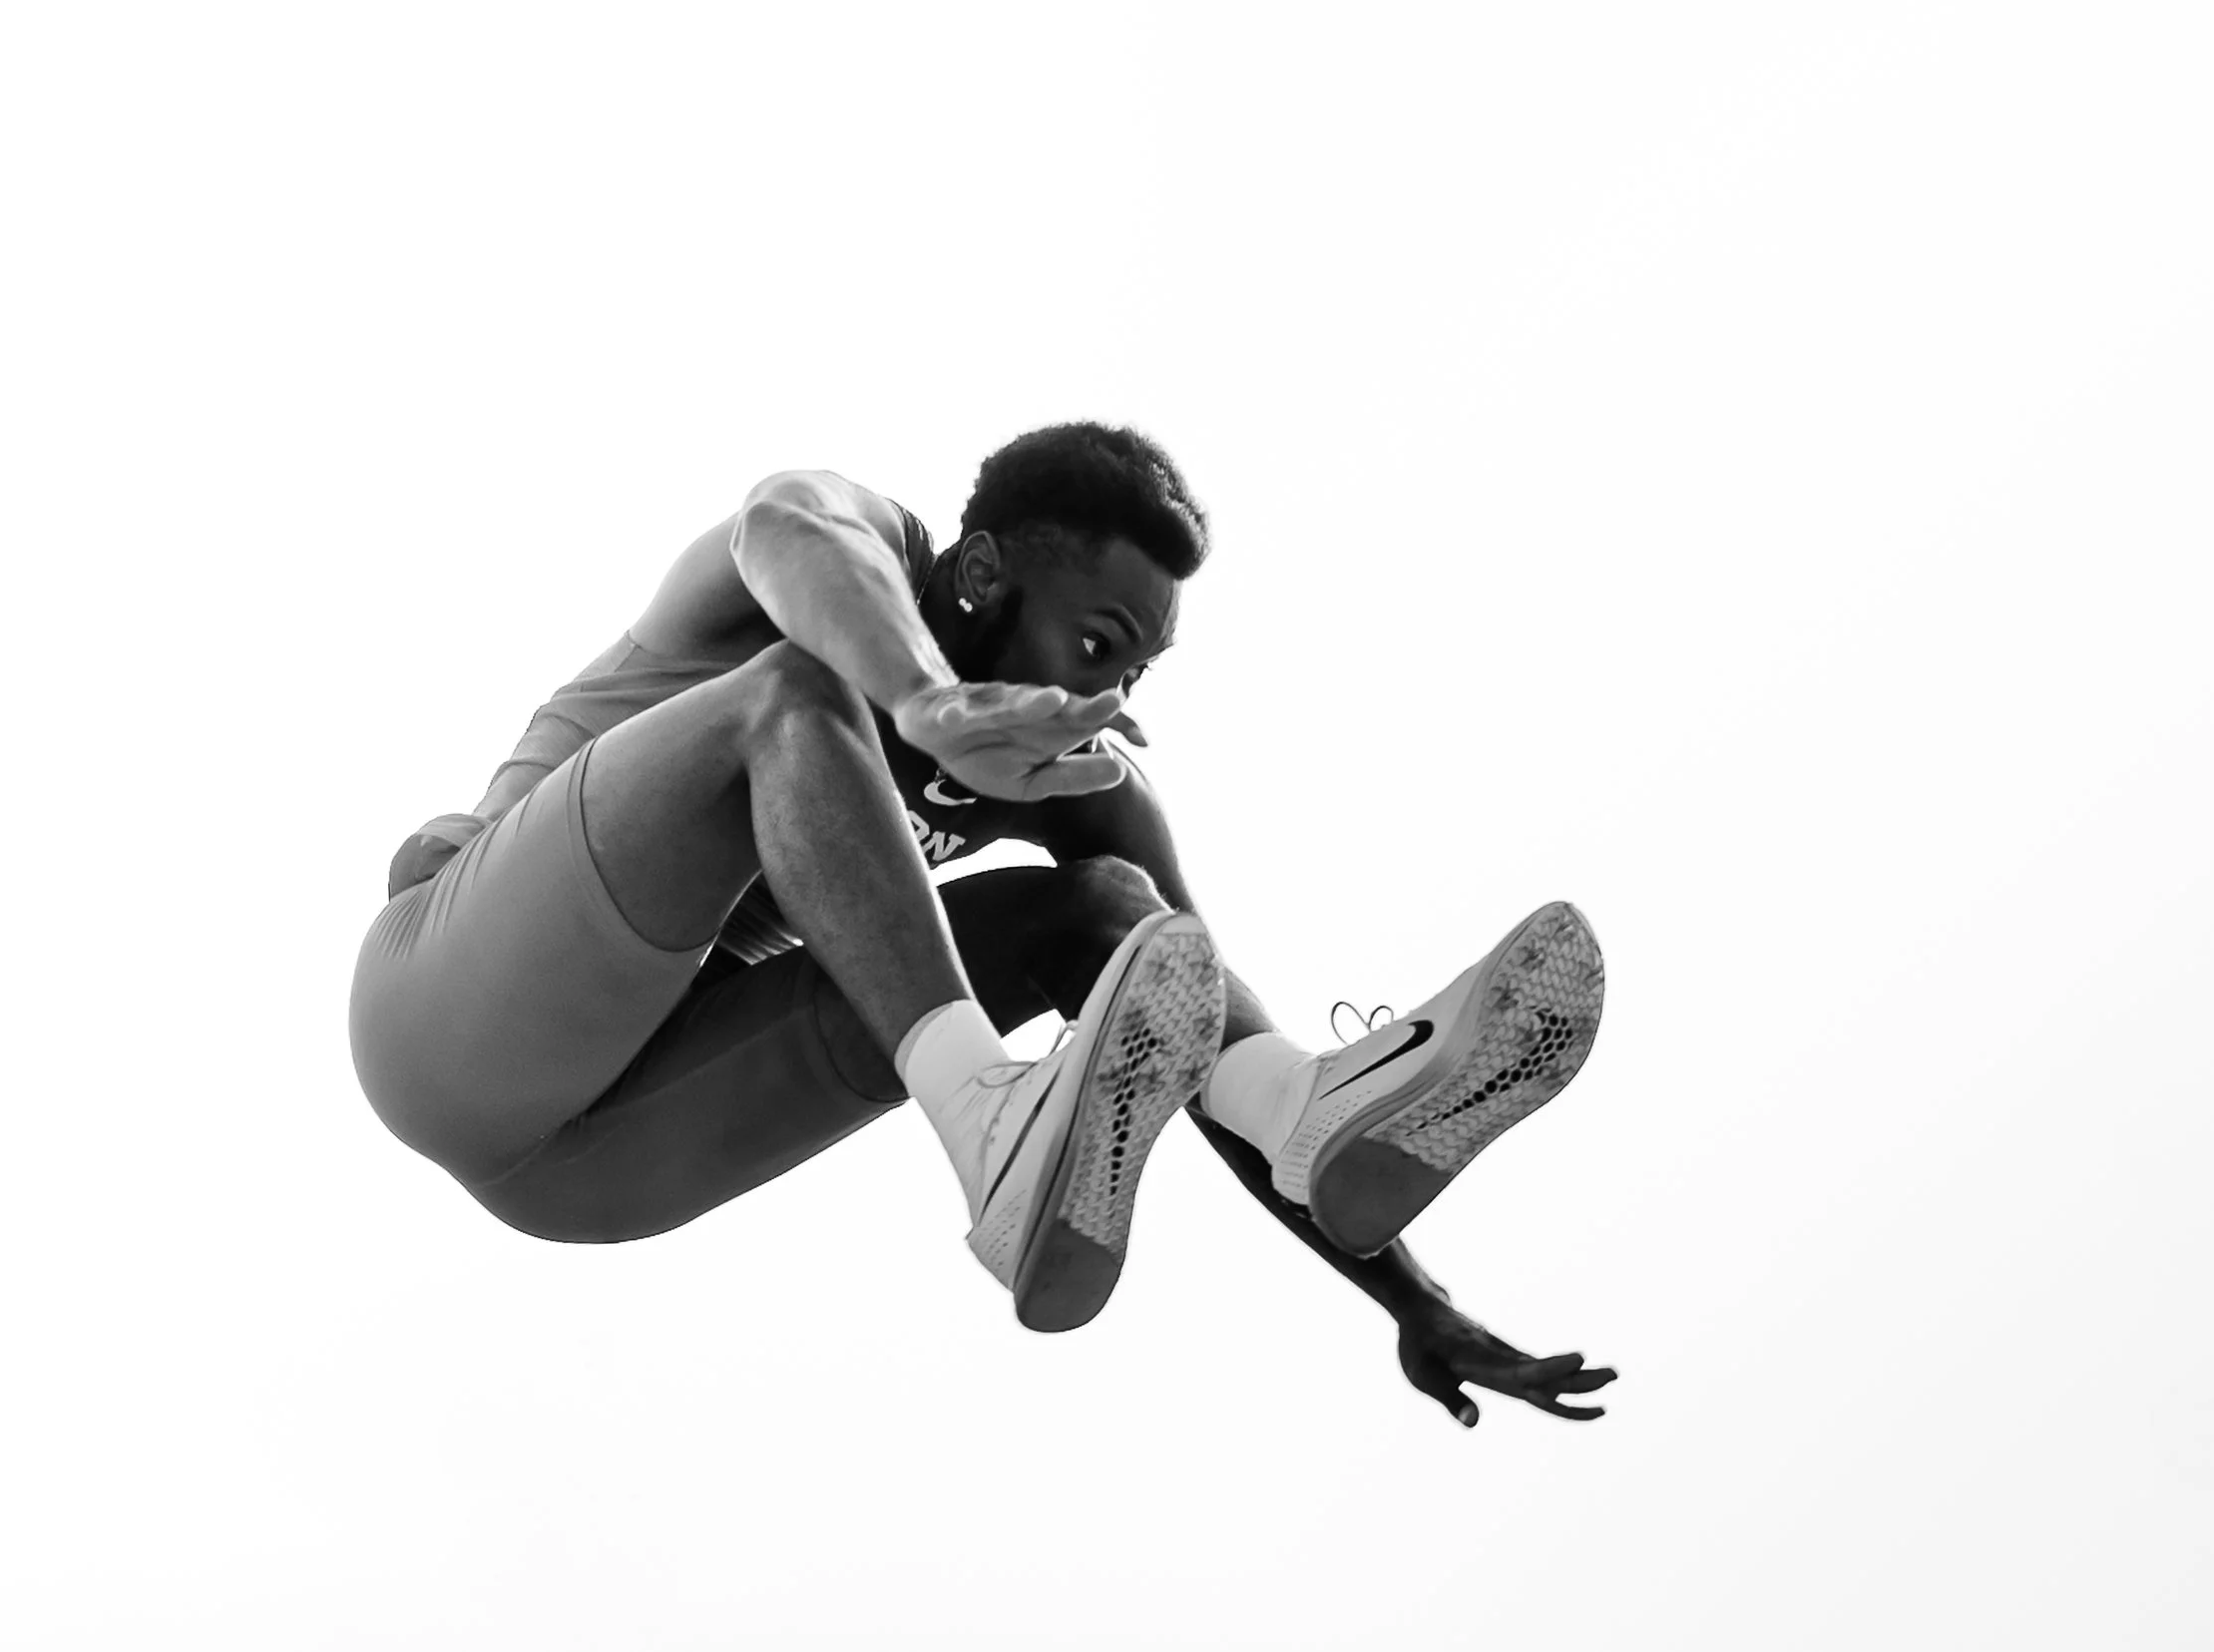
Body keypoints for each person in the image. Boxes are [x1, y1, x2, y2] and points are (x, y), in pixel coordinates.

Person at [349, 422, 1615, 1423]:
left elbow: (1181, 1025)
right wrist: (923, 702)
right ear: (978, 572)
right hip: (454, 1027)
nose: (1103, 691)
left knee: (1117, 920)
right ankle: (979, 1108)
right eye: (1095, 640)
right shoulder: (852, 549)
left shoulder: (1085, 778)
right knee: (791, 697)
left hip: (611, 1167)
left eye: (1134, 671)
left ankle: (1282, 1101)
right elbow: (785, 522)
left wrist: (1408, 1298)